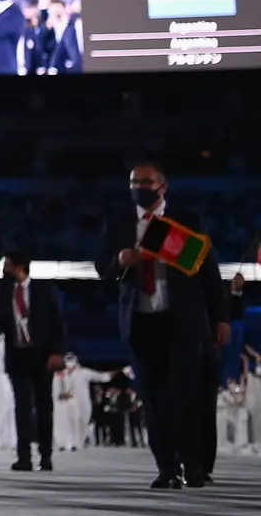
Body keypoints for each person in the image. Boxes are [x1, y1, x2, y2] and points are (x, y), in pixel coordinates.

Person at [97, 163, 230, 488]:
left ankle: (194, 463)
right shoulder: (118, 225)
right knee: (154, 399)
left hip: (182, 320)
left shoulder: (186, 222)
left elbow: (208, 274)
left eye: (146, 181)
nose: (139, 187)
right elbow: (102, 267)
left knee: (187, 394)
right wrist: (119, 261)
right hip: (142, 321)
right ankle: (167, 467)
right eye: (133, 182)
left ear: (163, 187)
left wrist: (220, 317)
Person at [0, 255, 63, 472]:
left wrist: (57, 352)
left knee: (43, 407)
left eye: (7, 265)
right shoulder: (4, 293)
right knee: (21, 408)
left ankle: (46, 455)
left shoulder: (44, 290)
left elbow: (57, 323)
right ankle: (23, 457)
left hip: (41, 356)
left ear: (20, 266)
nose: (4, 269)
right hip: (17, 355)